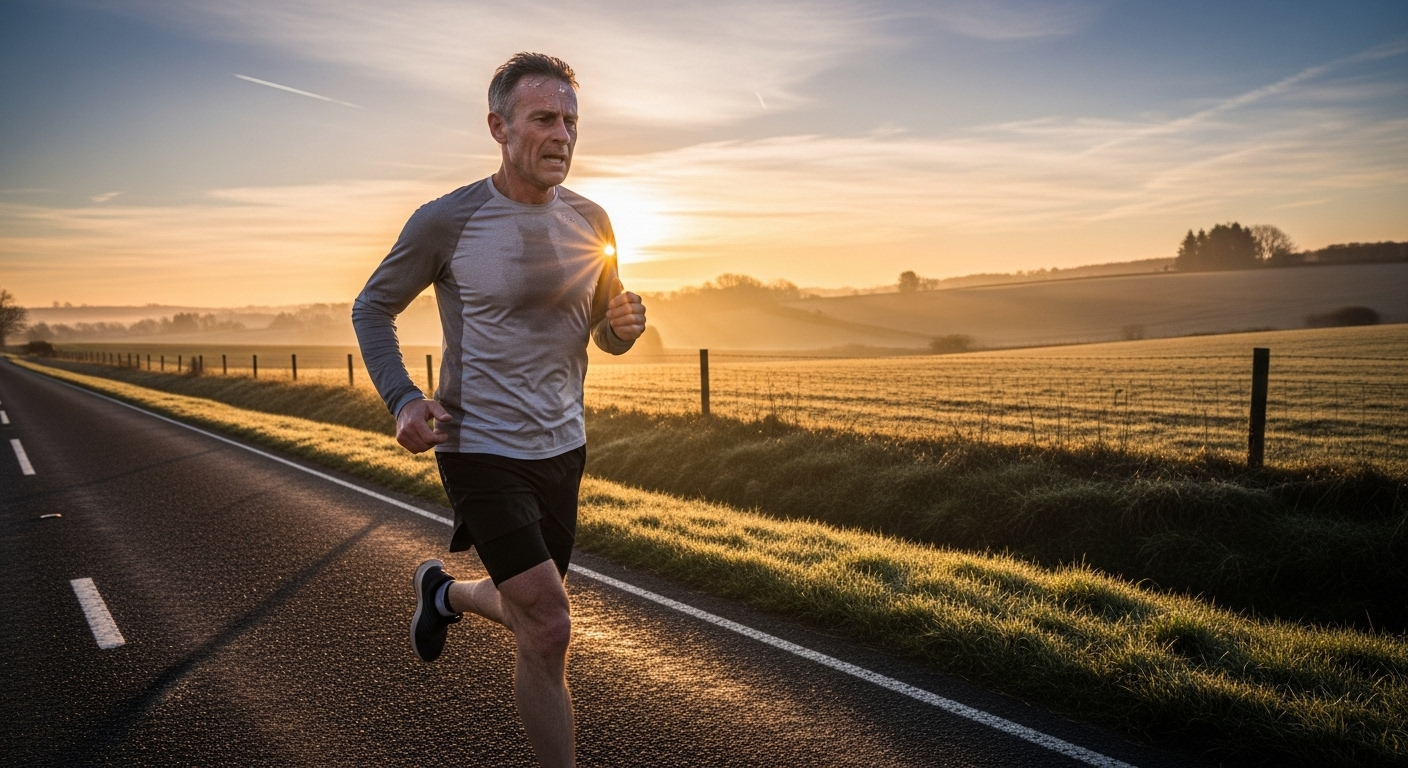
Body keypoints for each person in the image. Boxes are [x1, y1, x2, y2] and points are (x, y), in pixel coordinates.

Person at [351, 52, 646, 768]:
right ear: (498, 126)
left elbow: (601, 333)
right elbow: (372, 307)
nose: (563, 135)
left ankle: (444, 595)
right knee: (549, 625)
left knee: (527, 614)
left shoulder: (593, 220)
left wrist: (621, 330)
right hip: (477, 446)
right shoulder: (447, 222)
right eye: (544, 118)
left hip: (562, 448)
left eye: (571, 121)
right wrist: (402, 399)